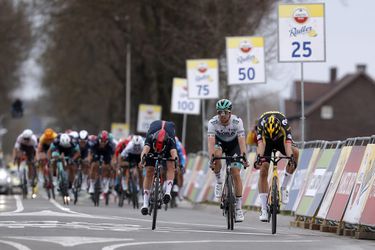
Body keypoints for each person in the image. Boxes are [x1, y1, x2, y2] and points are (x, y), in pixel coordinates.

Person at [207, 99, 249, 223]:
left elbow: (242, 140)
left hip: (234, 145)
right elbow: (210, 142)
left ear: (230, 112)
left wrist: (244, 157)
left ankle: (239, 208)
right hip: (219, 144)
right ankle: (219, 181)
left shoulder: (237, 122)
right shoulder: (212, 122)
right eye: (219, 112)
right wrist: (211, 158)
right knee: (217, 155)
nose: (222, 115)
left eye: (225, 112)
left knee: (236, 173)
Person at [254, 111, 299, 222]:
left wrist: (291, 158)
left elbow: (287, 146)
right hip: (266, 142)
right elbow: (260, 145)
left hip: (281, 140)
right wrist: (259, 158)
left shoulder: (284, 124)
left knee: (295, 153)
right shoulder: (261, 125)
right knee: (263, 170)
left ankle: (283, 187)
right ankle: (264, 208)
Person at [140, 120, 178, 215]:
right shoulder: (150, 137)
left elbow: (174, 153)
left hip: (167, 140)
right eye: (156, 148)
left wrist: (176, 162)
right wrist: (142, 161)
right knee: (149, 171)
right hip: (153, 141)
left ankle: (168, 193)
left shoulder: (170, 140)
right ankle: (145, 204)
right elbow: (145, 151)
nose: (158, 151)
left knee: (171, 164)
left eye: (159, 149)